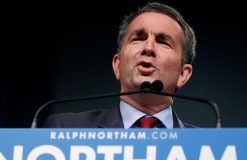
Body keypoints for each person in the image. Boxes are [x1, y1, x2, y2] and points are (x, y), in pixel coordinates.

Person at [43, 2, 196, 128]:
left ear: (183, 74)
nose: (148, 48)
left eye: (163, 42)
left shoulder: (207, 149)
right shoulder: (66, 129)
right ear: (117, 65)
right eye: (137, 39)